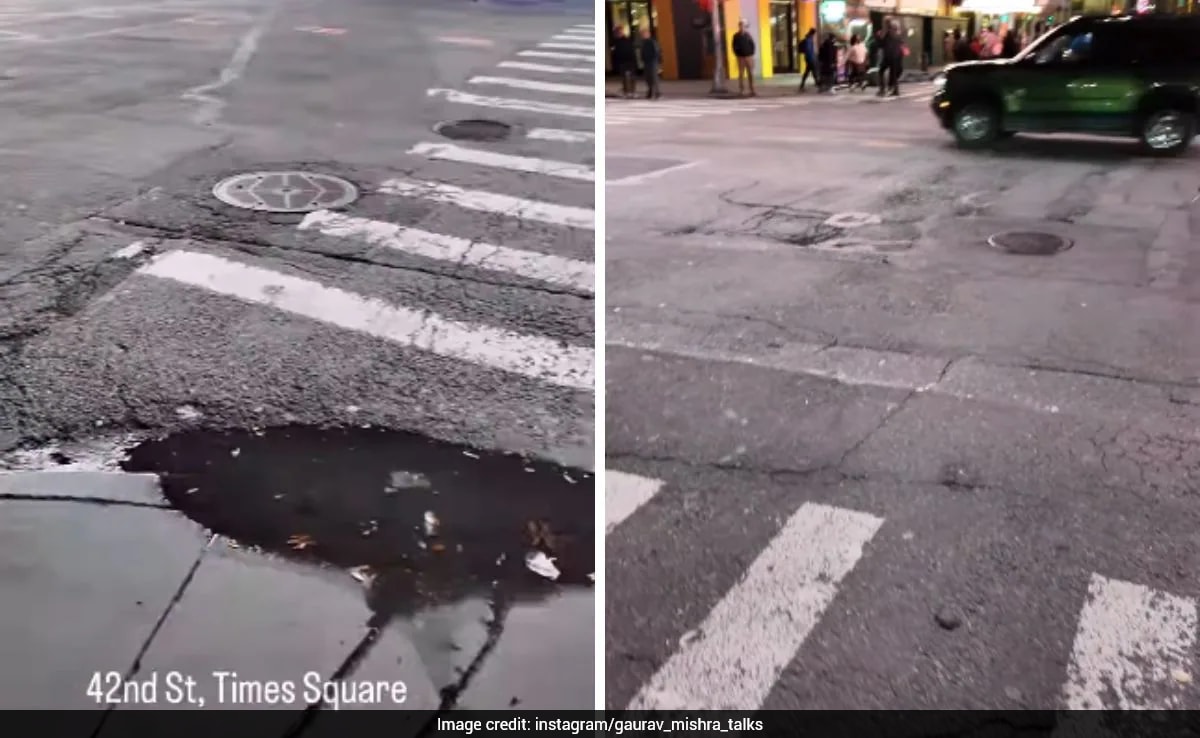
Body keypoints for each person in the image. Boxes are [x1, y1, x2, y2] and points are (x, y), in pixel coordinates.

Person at [731, 19, 757, 96]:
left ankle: (752, 90)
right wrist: (737, 54)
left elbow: (752, 45)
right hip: (740, 58)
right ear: (739, 26)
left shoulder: (748, 35)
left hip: (749, 57)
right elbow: (733, 46)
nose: (742, 27)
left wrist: (751, 54)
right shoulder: (736, 36)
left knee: (750, 74)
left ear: (745, 27)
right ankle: (741, 90)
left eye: (743, 26)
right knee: (741, 74)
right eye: (740, 26)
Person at [611, 26, 637, 98]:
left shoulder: (627, 40)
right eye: (617, 32)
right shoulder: (616, 42)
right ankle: (627, 92)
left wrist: (634, 61)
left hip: (629, 60)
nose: (618, 33)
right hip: (622, 62)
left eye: (620, 31)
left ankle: (632, 92)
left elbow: (632, 51)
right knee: (624, 78)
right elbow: (615, 53)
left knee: (632, 77)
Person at [878, 21, 903, 97]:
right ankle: (895, 90)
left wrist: (879, 36)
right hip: (897, 58)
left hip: (889, 57)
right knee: (894, 74)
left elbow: (881, 44)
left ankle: (882, 89)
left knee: (881, 71)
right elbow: (901, 47)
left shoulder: (888, 35)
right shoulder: (898, 36)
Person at [639, 28, 661, 100]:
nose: (643, 35)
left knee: (653, 77)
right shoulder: (643, 42)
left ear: (648, 34)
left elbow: (656, 52)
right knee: (648, 78)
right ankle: (650, 91)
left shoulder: (652, 42)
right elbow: (642, 52)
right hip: (646, 62)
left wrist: (655, 60)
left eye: (644, 34)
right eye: (642, 34)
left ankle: (657, 92)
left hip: (652, 62)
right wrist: (642, 59)